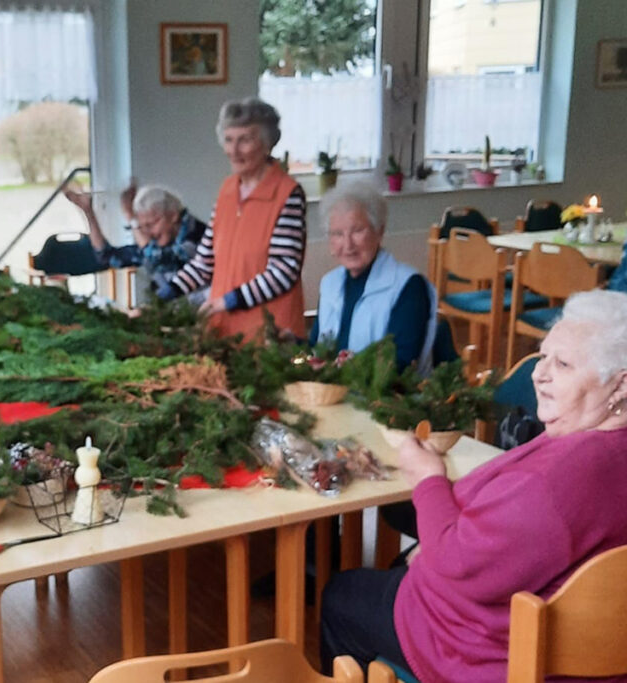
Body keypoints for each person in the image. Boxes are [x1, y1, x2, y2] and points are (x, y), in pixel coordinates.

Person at [320, 289, 627, 682]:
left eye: (563, 364)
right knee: (400, 559)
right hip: (598, 656)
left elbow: (457, 566)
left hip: (488, 654)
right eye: (543, 355)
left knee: (342, 595)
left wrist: (428, 478)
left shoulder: (559, 480)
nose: (539, 373)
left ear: (619, 386)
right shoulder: (590, 445)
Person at [158, 97, 306, 342]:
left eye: (245, 140)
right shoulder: (227, 190)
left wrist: (229, 301)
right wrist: (161, 298)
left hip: (271, 335)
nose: (234, 151)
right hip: (225, 329)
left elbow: (283, 271)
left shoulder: (287, 194)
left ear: (267, 144)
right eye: (229, 140)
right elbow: (205, 262)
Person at [310, 182, 437, 374]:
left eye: (357, 231)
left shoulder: (408, 286)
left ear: (380, 231)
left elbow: (400, 363)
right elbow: (317, 347)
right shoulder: (329, 284)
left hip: (388, 400)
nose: (348, 244)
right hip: (334, 393)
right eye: (337, 234)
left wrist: (346, 369)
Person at [64, 183, 208, 302]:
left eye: (151, 224)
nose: (148, 233)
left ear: (173, 215)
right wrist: (88, 212)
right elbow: (107, 257)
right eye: (142, 226)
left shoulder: (197, 236)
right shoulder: (158, 242)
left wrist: (131, 219)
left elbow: (157, 259)